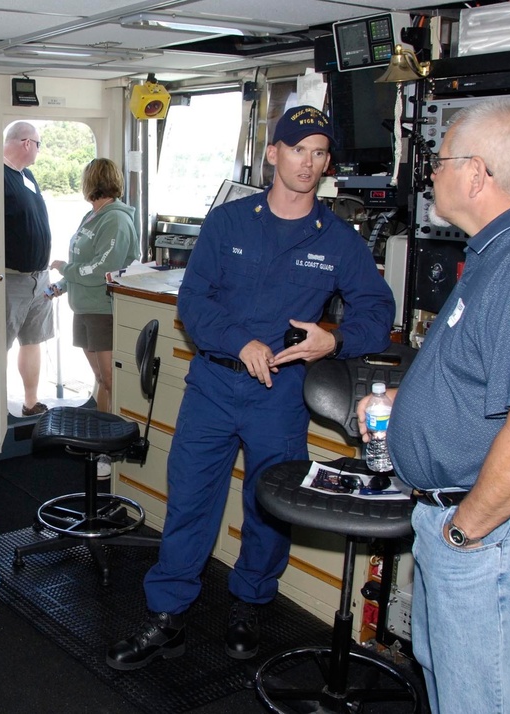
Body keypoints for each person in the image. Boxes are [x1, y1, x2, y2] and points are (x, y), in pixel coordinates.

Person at [107, 106, 395, 670]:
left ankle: (249, 602)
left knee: (268, 506)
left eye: (318, 153)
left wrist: (332, 342)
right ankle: (167, 615)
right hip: (215, 384)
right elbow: (194, 301)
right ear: (273, 153)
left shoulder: (336, 239)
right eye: (296, 150)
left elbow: (377, 312)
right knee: (190, 500)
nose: (307, 164)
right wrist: (240, 343)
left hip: (281, 396)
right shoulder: (230, 223)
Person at [357, 100, 510, 714]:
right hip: (476, 528)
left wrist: (464, 530)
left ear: (475, 173)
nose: (430, 175)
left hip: (495, 534)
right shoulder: (505, 251)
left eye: (438, 162)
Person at [48, 158, 138, 475]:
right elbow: (83, 261)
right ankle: (104, 442)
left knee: (111, 381)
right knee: (101, 380)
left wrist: (64, 269)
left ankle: (111, 452)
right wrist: (60, 286)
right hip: (84, 308)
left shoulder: (116, 220)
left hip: (104, 310)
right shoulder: (92, 216)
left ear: (91, 183)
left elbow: (104, 268)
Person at [3, 121, 54, 416]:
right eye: (38, 144)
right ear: (26, 143)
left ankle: (31, 402)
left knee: (33, 340)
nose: (38, 149)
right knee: (1, 345)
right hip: (12, 279)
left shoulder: (27, 175)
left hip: (40, 277)